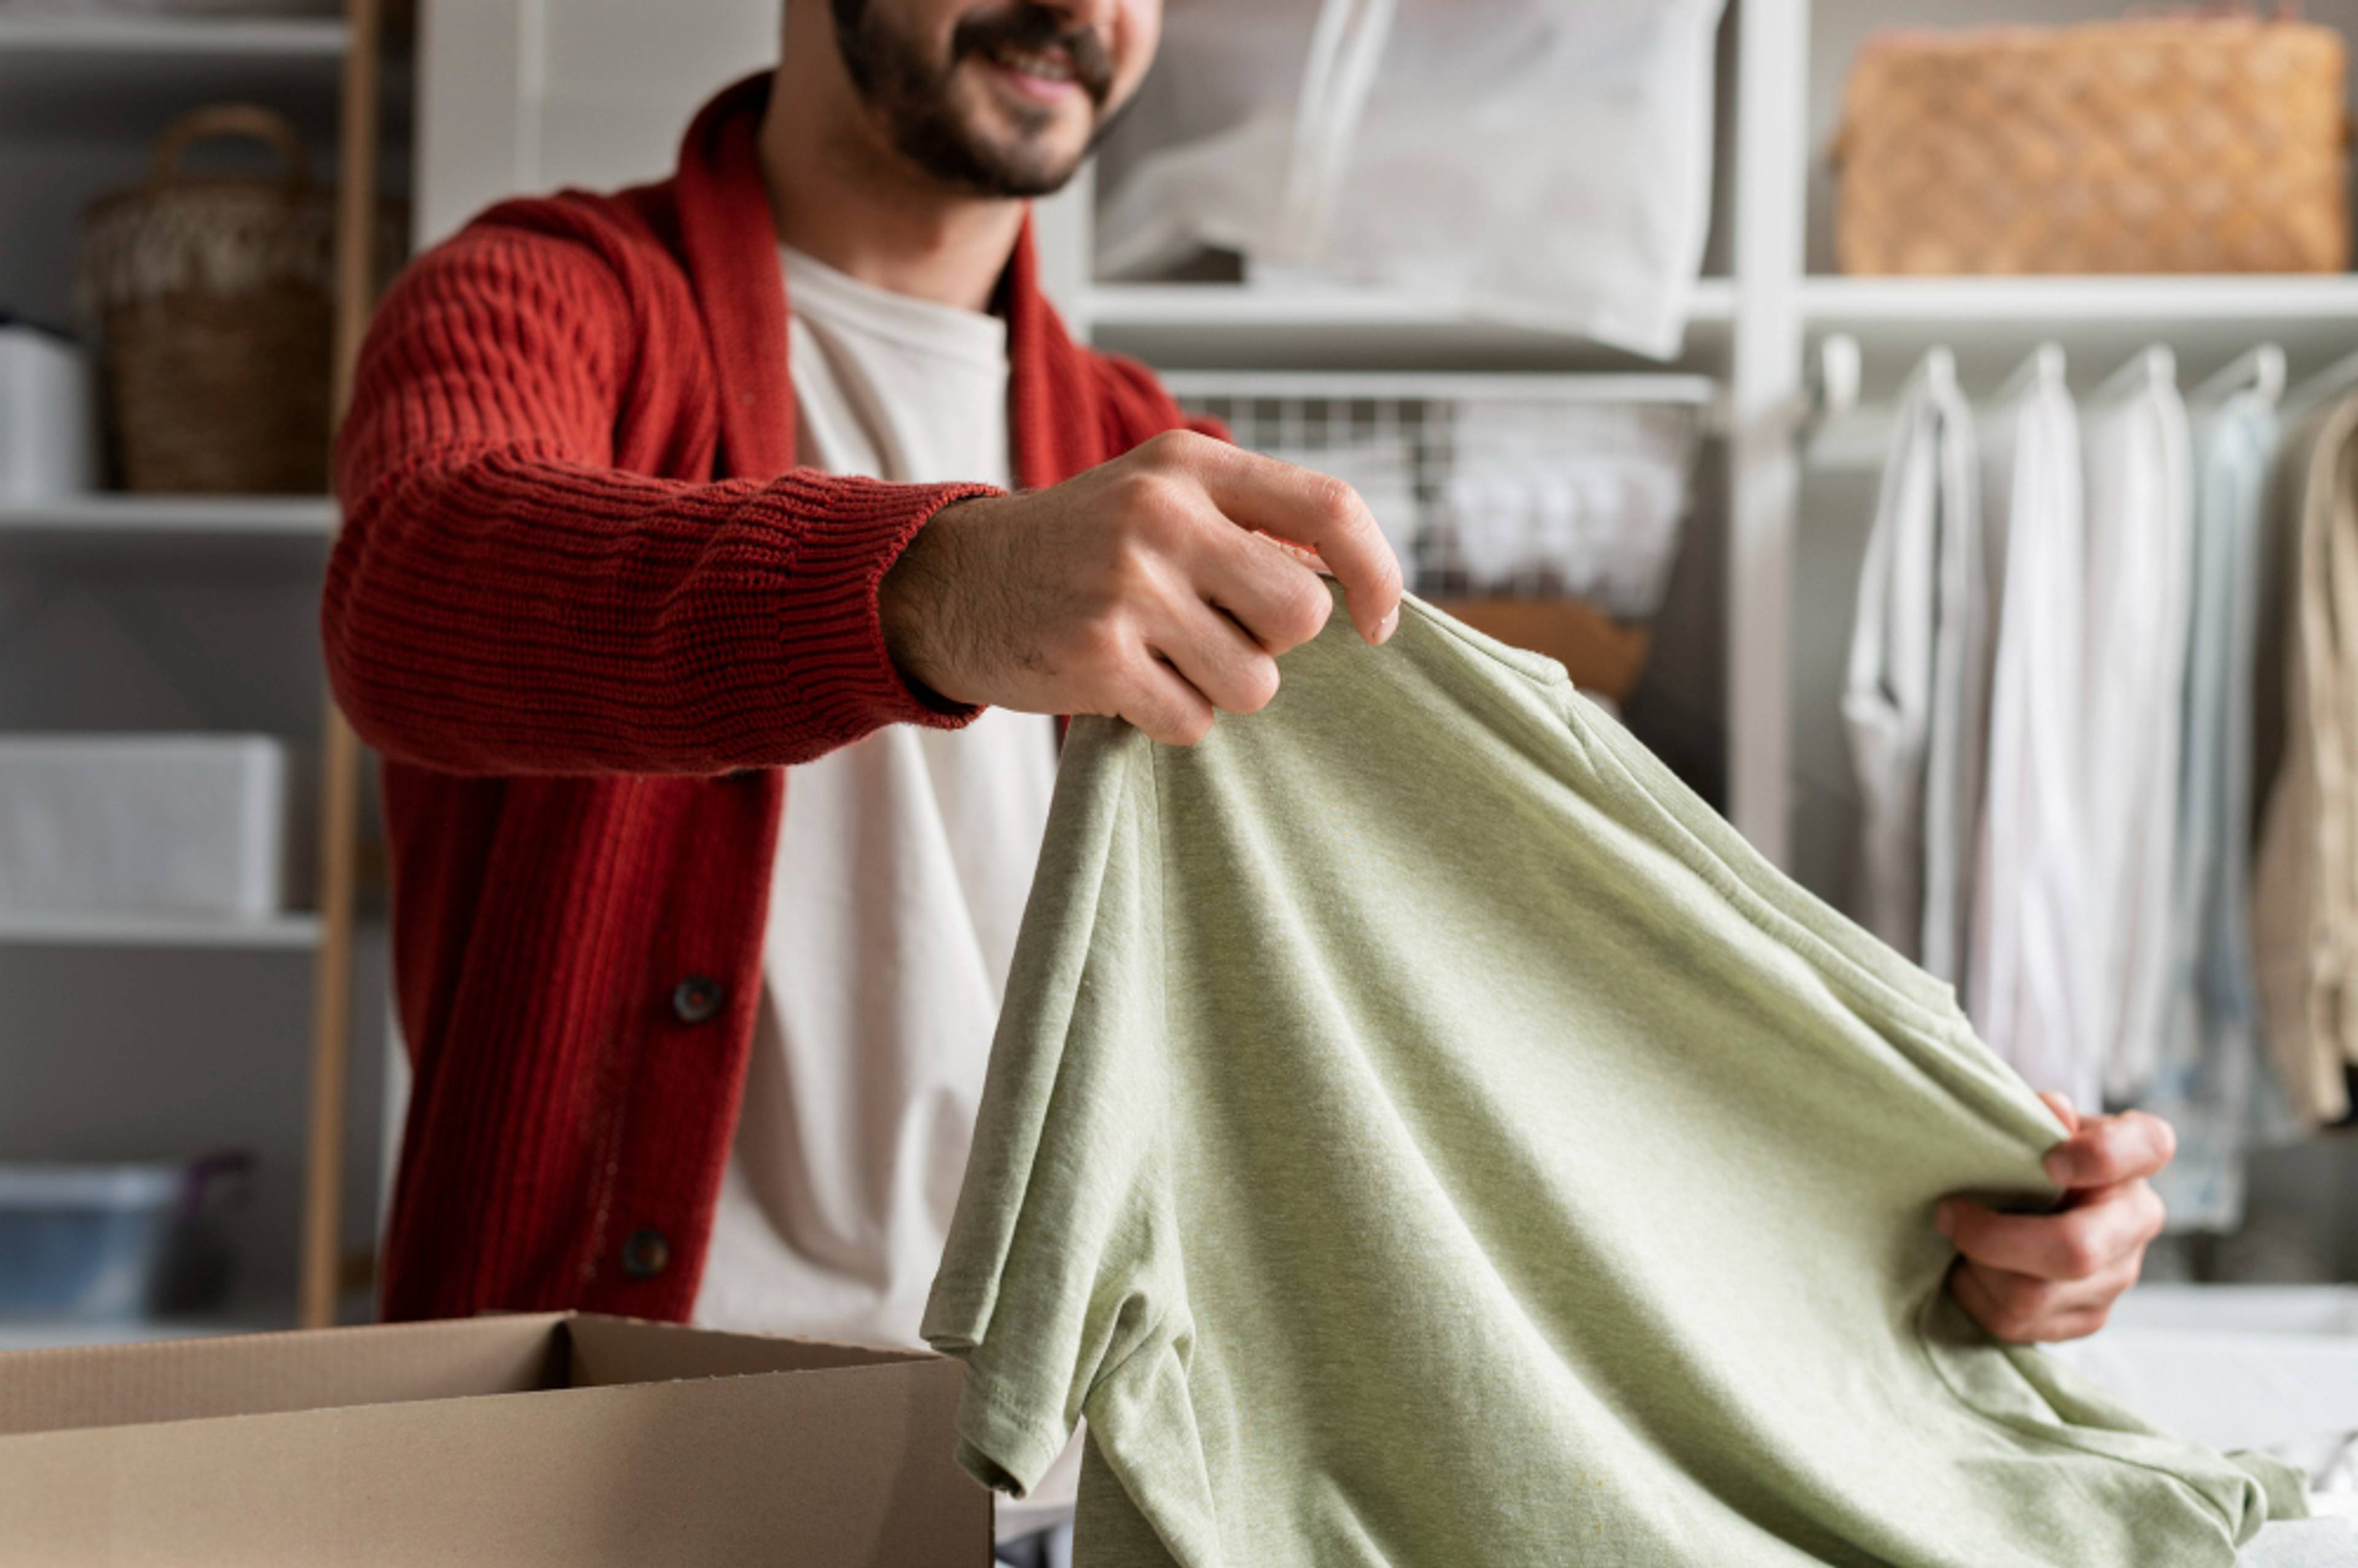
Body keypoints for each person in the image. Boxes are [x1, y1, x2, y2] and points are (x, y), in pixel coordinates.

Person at [326, 0, 2177, 1540]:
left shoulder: (1149, 451)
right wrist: (938, 587)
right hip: (580, 1489)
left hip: (1065, 1494)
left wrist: (1915, 1186)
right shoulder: (550, 295)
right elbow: (419, 590)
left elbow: (1470, 979)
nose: (1087, 11)